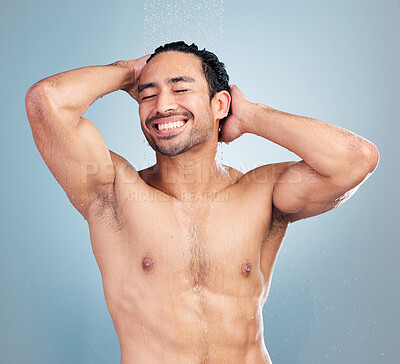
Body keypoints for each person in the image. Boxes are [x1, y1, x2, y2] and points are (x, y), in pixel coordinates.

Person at [25, 41, 379, 363]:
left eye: (180, 88)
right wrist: (127, 71)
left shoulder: (262, 193)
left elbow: (354, 160)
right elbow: (46, 101)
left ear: (220, 103)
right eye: (147, 94)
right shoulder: (113, 193)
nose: (162, 105)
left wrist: (251, 116)